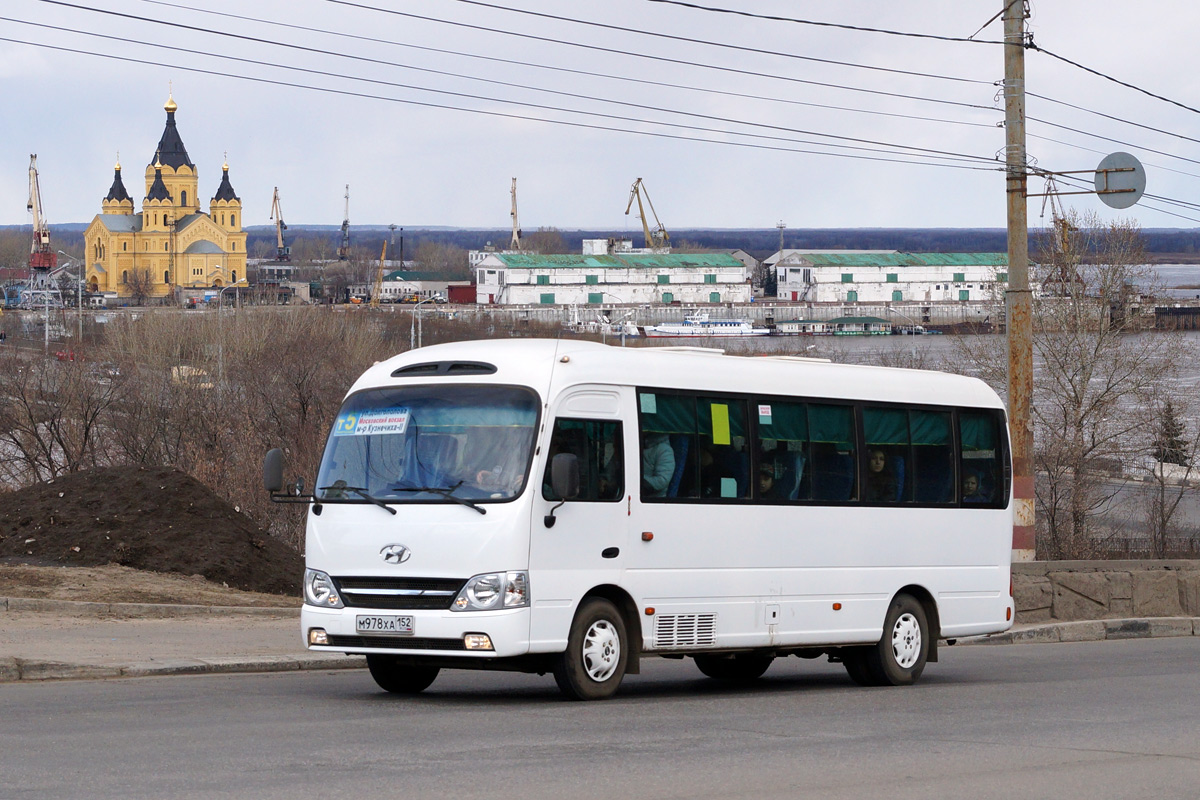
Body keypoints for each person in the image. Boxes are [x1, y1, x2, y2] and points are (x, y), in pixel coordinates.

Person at [641, 433, 675, 497]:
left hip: (653, 499)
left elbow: (661, 481)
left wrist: (637, 481)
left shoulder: (665, 450)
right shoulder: (636, 445)